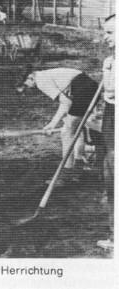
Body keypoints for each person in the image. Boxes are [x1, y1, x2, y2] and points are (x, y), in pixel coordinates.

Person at [16, 66, 99, 187]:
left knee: (66, 132)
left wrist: (51, 125)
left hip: (84, 91)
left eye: (26, 85)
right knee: (75, 129)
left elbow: (66, 103)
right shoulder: (44, 75)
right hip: (89, 88)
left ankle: (66, 175)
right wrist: (56, 122)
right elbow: (66, 102)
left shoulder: (41, 80)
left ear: (30, 77)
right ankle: (78, 169)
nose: (28, 88)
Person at [97, 14, 115, 251]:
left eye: (110, 32)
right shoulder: (111, 61)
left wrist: (109, 72)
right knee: (109, 175)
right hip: (111, 117)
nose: (105, 37)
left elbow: (111, 92)